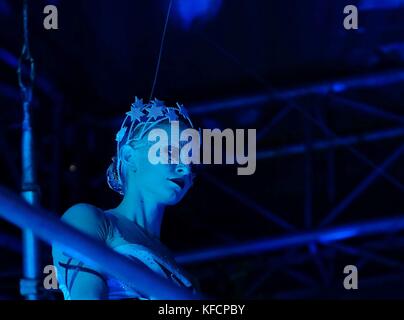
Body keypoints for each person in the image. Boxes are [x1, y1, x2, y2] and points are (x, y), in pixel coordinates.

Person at [52, 98, 199, 300]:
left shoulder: (185, 275)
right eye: (171, 151)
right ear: (129, 156)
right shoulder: (89, 219)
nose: (186, 167)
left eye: (191, 158)